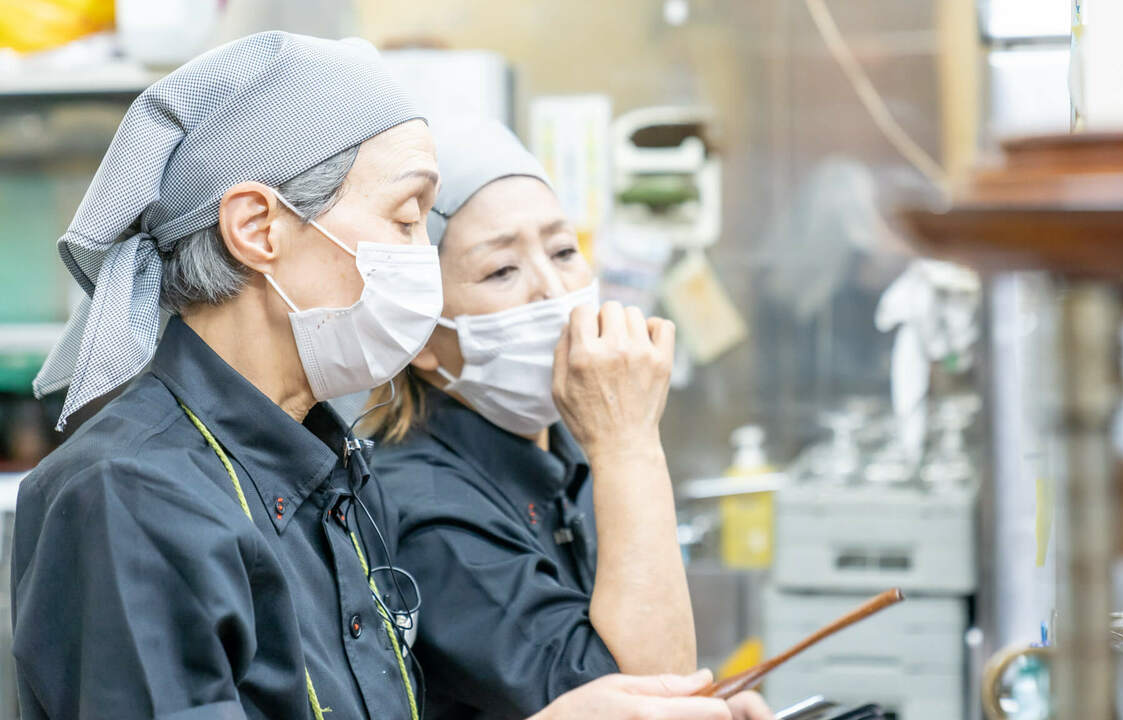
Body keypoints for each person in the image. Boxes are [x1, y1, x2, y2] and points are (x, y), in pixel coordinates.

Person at [11, 33, 745, 720]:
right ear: (259, 229)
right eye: (405, 221)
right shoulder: (129, 493)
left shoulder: (330, 475)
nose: (421, 267)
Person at [364, 118, 773, 720]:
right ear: (419, 332)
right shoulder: (419, 508)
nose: (555, 294)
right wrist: (629, 442)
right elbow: (638, 700)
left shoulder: (570, 452)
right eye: (503, 271)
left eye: (563, 252)